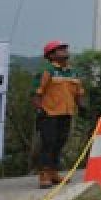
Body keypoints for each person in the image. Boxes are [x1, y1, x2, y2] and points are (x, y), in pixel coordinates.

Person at [32, 41, 84, 188]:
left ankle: (53, 172)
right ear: (51, 55)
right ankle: (44, 175)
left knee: (60, 142)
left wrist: (81, 105)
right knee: (48, 143)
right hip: (49, 113)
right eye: (60, 49)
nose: (65, 51)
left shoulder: (72, 72)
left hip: (66, 113)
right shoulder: (47, 71)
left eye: (65, 48)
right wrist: (39, 109)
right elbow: (36, 92)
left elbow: (78, 92)